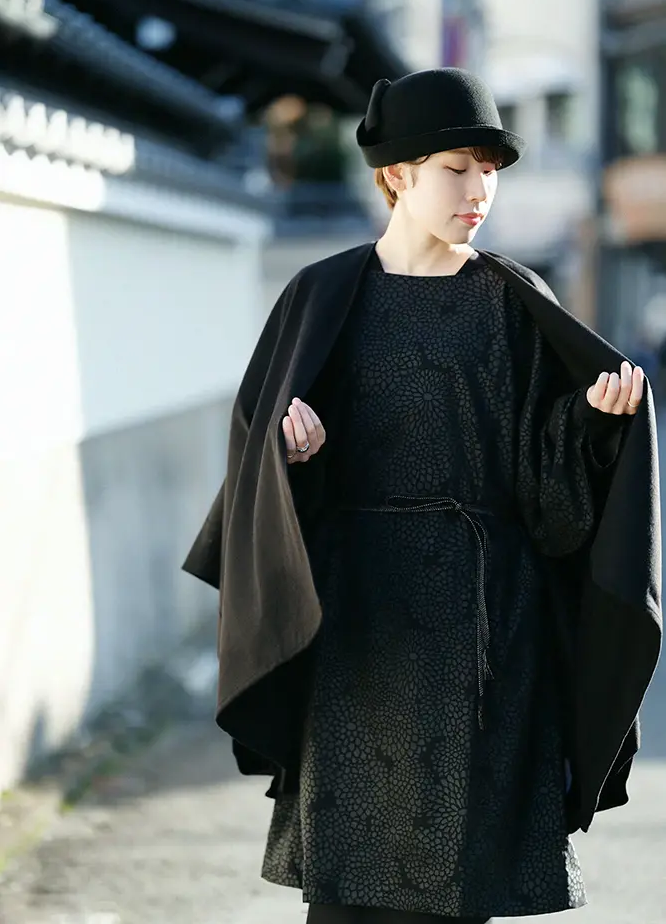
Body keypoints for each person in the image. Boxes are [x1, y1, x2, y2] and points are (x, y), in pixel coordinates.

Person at [182, 69, 662, 924]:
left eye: (489, 170)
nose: (479, 191)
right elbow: (263, 482)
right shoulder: (322, 296)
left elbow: (549, 506)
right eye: (455, 168)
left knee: (459, 883)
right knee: (348, 884)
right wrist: (298, 459)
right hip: (357, 630)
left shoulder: (513, 302)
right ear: (396, 174)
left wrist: (590, 426)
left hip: (487, 631)